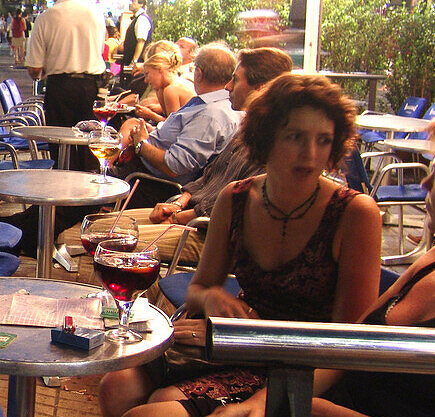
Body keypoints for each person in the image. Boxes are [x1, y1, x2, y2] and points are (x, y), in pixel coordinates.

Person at [112, 108, 435, 417]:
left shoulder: (352, 211)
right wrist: (278, 401)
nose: (424, 184)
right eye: (294, 137)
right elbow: (346, 346)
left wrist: (315, 414)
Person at [75, 73, 382, 417]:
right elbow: (199, 287)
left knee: (156, 406)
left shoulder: (354, 214)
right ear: (264, 135)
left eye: (323, 140)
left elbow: (351, 342)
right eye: (295, 136)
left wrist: (265, 396)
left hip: (304, 366)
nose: (311, 154)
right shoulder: (237, 200)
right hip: (240, 345)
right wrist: (214, 296)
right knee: (117, 385)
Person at [61, 47, 292, 266]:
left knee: (82, 238)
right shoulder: (248, 125)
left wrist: (179, 216)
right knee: (83, 229)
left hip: (203, 229)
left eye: (236, 80)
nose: (228, 86)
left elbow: (237, 201)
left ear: (261, 88)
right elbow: (211, 175)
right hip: (185, 210)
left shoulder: (273, 140)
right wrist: (180, 201)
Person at [111, 43, 239, 207]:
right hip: (142, 171)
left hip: (147, 181)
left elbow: (174, 166)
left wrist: (140, 143)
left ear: (198, 74)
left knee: (81, 195)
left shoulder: (210, 114)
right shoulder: (212, 103)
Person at [25, 0, 106, 172]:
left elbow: (34, 67)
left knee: (62, 145)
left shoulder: (46, 17)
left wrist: (42, 72)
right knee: (89, 142)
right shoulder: (96, 14)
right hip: (91, 86)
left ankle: (64, 196)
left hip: (61, 88)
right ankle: (89, 194)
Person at [133, 40, 196, 125]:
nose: (146, 80)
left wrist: (151, 115)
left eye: (147, 74)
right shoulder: (163, 88)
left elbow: (173, 126)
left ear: (160, 70)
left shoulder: (171, 90)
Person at [120, 0, 151, 69]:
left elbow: (141, 42)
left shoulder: (142, 19)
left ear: (141, 4)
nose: (130, 3)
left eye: (133, 1)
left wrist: (134, 62)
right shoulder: (138, 18)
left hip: (137, 65)